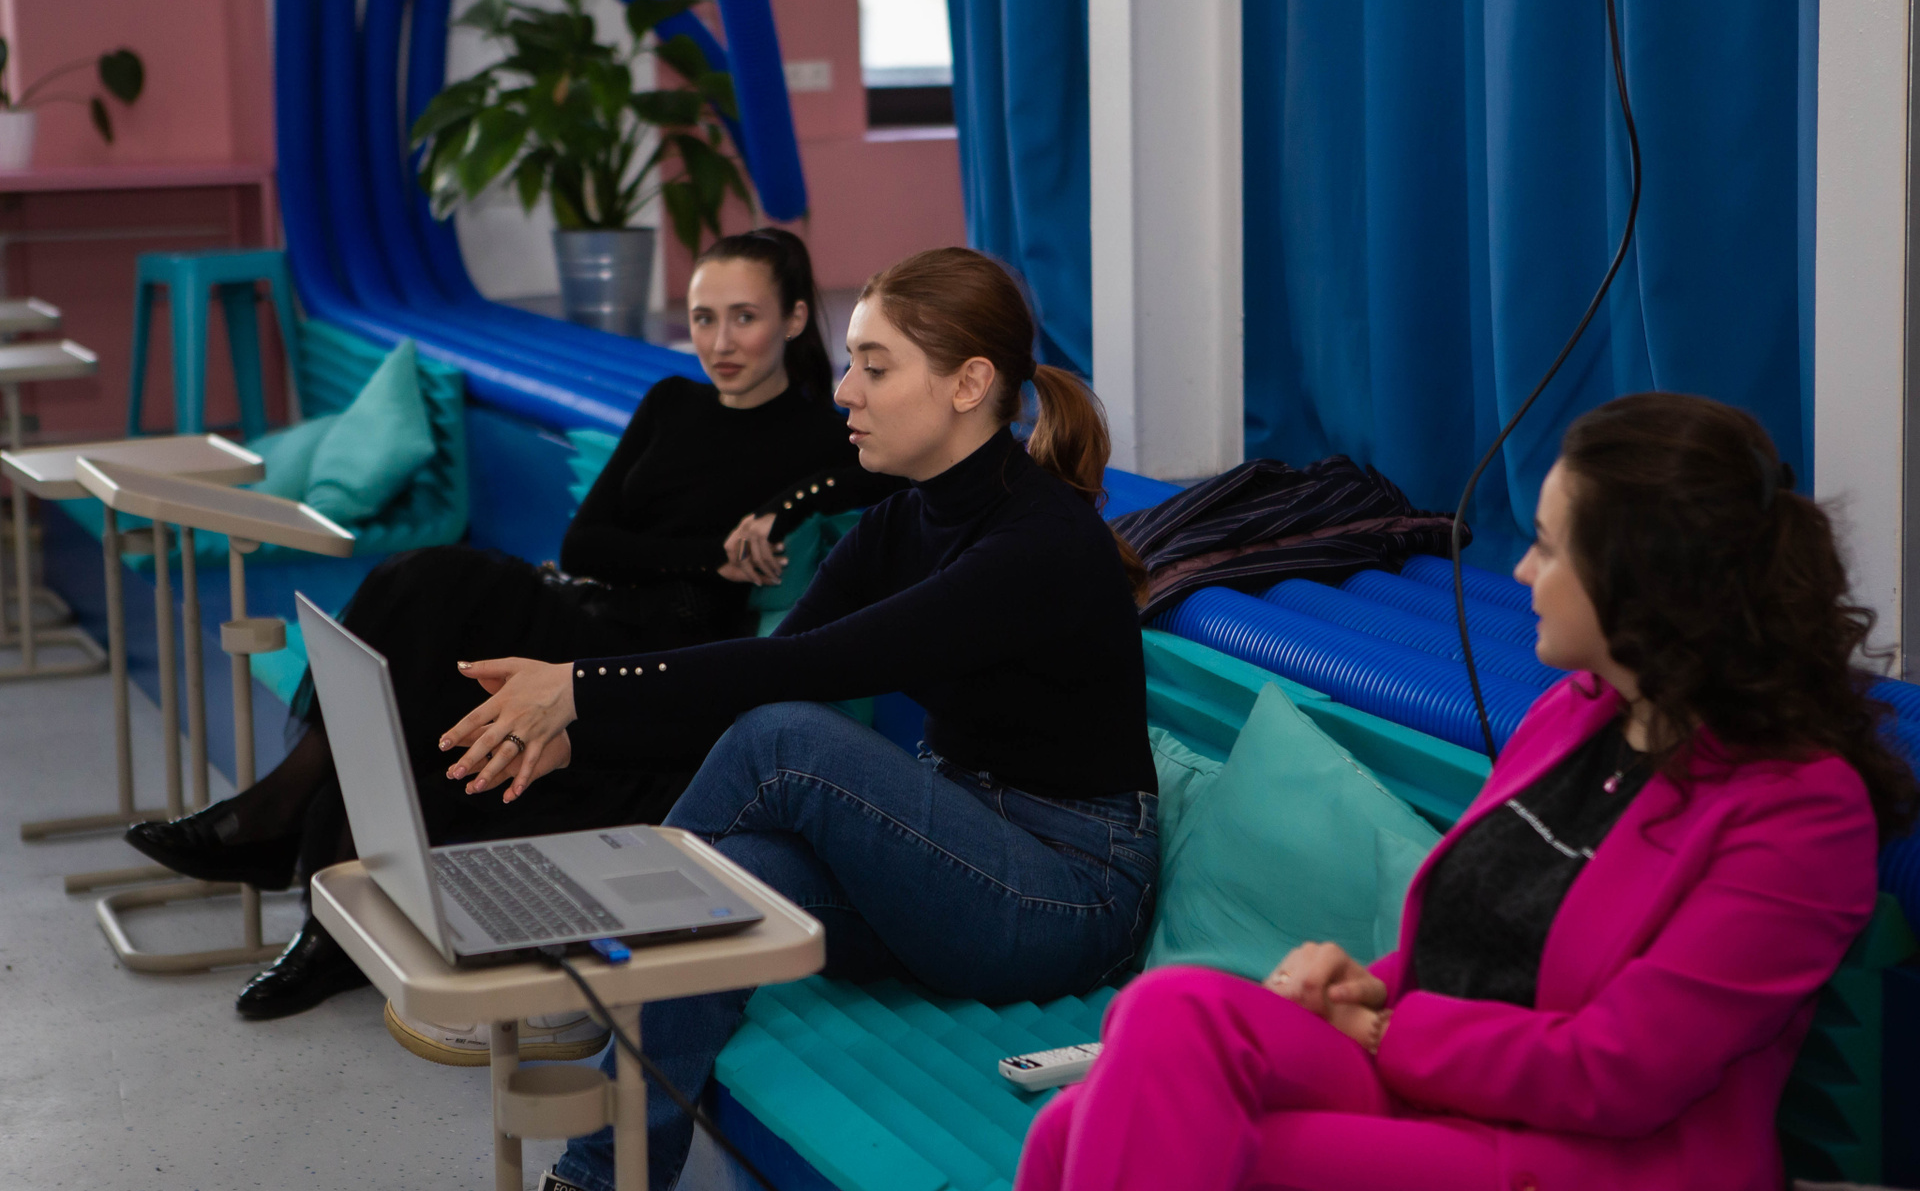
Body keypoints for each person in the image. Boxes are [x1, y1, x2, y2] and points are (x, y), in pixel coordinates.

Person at [1011, 391, 1920, 1191]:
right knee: (1153, 1027)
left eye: (1550, 548)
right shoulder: (1577, 712)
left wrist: (1381, 1031)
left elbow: (1618, 1073)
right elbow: (1476, 941)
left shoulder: (1801, 814)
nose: (1522, 571)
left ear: (1644, 585)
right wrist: (1368, 985)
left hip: (1592, 1155)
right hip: (1454, 1090)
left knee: (1186, 1147)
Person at [416, 247, 1159, 1191]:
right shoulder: (901, 523)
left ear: (970, 384)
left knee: (785, 741)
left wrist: (579, 687)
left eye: (875, 367)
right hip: (957, 861)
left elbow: (804, 672)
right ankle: (603, 1174)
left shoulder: (1036, 544)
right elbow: (762, 678)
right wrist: (579, 734)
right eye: (851, 363)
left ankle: (590, 971)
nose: (846, 391)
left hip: (1067, 897)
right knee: (740, 880)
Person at [125, 228, 897, 1030]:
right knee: (421, 611)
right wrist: (713, 555)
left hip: (665, 655)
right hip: (585, 612)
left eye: (745, 318)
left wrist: (786, 507)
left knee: (430, 592)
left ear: (795, 319)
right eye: (704, 318)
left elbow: (880, 479)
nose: (721, 342)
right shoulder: (672, 402)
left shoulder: (818, 431)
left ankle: (279, 834)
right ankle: (316, 901)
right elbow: (585, 543)